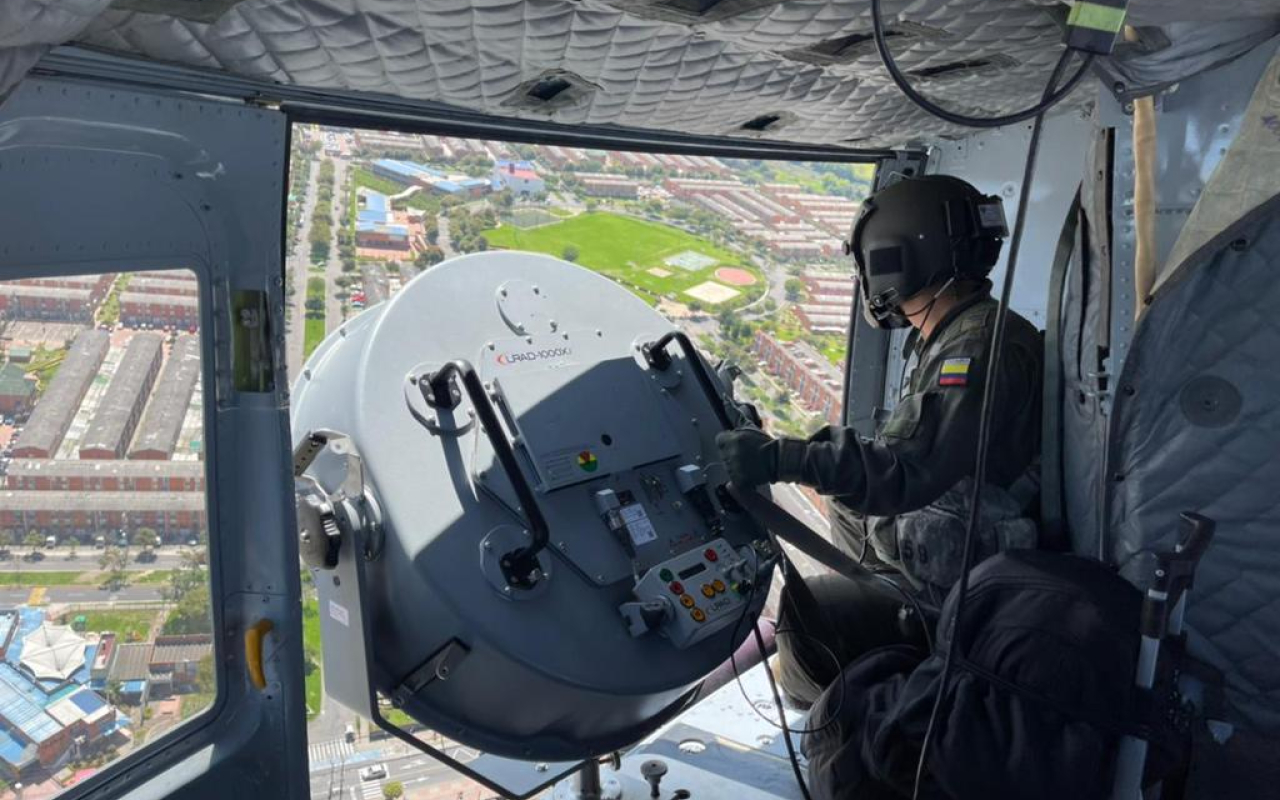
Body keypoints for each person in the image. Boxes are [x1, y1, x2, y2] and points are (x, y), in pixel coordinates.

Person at [717, 174, 1043, 707]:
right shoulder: (966, 330)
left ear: (899, 262)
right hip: (967, 547)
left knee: (808, 618)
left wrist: (781, 458)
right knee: (848, 502)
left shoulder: (975, 349)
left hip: (962, 587)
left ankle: (846, 708)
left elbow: (907, 471)